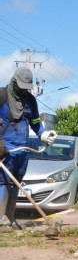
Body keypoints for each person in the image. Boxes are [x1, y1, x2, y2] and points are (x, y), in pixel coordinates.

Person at [0, 68, 57, 231]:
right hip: (5, 150)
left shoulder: (31, 101)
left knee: (15, 184)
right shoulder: (2, 96)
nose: (24, 90)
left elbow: (36, 124)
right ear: (14, 81)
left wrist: (44, 135)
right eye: (21, 86)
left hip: (23, 150)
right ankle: (0, 219)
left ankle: (9, 218)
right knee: (2, 182)